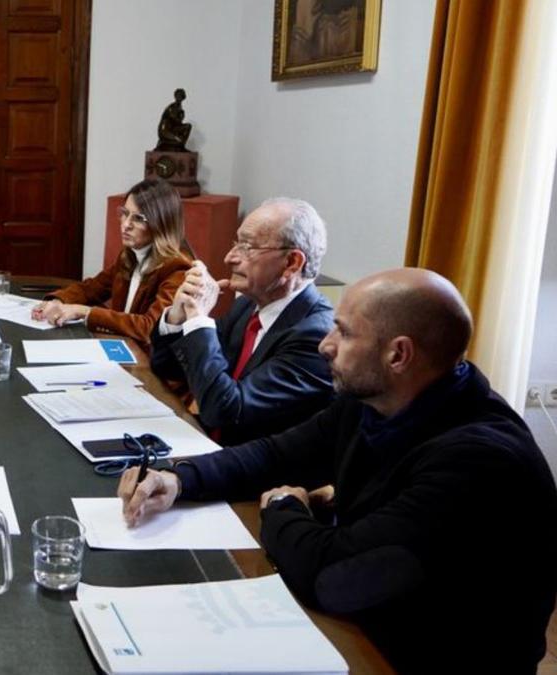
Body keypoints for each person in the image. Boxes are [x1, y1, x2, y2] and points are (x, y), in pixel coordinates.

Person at [119, 268, 557, 674]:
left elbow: (331, 576)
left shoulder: (479, 461)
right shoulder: (375, 399)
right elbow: (275, 455)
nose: (325, 344)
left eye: (344, 333)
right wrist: (178, 478)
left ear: (398, 354)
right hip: (371, 627)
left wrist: (285, 505)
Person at [149, 197, 333, 444]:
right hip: (209, 444)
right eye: (237, 243)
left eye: (247, 247)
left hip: (261, 474)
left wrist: (199, 320)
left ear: (292, 263)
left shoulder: (315, 336)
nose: (229, 257)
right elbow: (169, 369)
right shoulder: (247, 305)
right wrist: (178, 315)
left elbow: (224, 410)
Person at [30, 178, 192, 344]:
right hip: (121, 347)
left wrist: (85, 312)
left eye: (138, 218)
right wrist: (58, 301)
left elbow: (149, 327)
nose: (126, 224)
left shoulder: (177, 269)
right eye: (124, 213)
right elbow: (91, 288)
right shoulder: (130, 256)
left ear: (161, 224)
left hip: (148, 364)